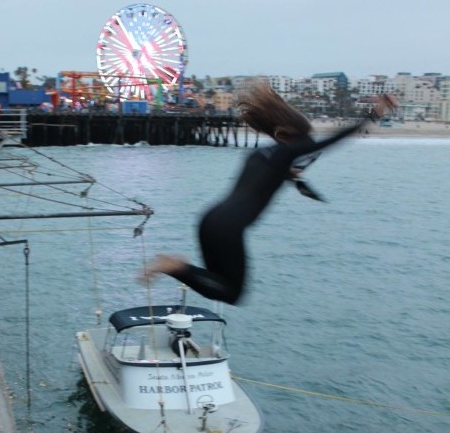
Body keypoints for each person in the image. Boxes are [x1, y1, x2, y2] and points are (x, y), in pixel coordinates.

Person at [142, 84, 397, 305]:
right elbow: (333, 140)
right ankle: (174, 266)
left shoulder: (260, 155)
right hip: (228, 229)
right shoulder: (292, 151)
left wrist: (295, 180)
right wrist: (373, 115)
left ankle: (176, 267)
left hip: (210, 220)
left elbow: (266, 180)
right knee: (233, 294)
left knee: (219, 286)